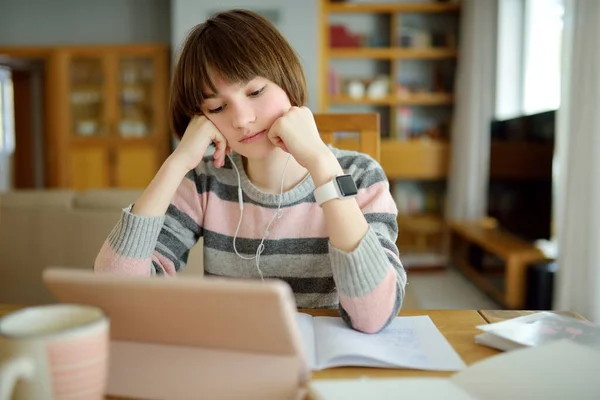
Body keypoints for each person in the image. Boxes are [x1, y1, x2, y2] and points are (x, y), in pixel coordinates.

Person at [94, 9, 406, 334]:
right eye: (217, 107)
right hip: (231, 361)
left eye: (255, 92)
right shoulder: (205, 181)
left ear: (287, 81)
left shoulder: (359, 174)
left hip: (325, 371)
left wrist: (321, 163)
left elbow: (374, 316)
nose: (241, 119)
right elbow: (117, 295)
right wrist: (176, 163)